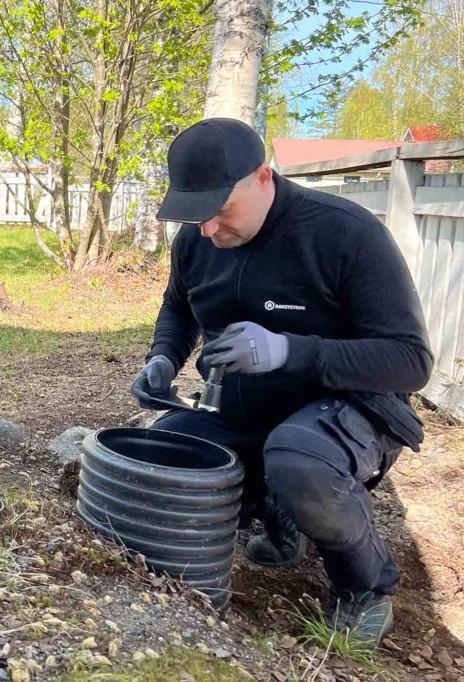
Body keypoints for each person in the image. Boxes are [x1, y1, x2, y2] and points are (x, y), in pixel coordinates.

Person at [131, 118, 433, 647]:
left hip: (345, 410)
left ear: (263, 178)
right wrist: (162, 358)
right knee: (159, 450)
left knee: (297, 460)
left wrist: (290, 351)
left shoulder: (344, 233)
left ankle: (366, 587)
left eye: (220, 209)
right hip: (243, 407)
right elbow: (179, 307)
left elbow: (409, 360)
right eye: (195, 214)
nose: (207, 229)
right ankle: (277, 514)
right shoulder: (197, 238)